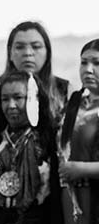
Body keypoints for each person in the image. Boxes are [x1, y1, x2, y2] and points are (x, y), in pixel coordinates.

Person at [0, 71, 62, 224]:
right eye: (5, 99)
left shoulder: (51, 142)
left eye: (18, 97)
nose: (11, 105)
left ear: (34, 99)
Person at [0, 21, 70, 163]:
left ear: (47, 52)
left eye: (36, 46)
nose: (28, 53)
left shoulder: (64, 89)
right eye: (19, 47)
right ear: (10, 53)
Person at [58, 39, 99, 224]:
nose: (88, 69)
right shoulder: (75, 102)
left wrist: (81, 169)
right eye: (84, 62)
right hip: (72, 197)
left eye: (97, 63)